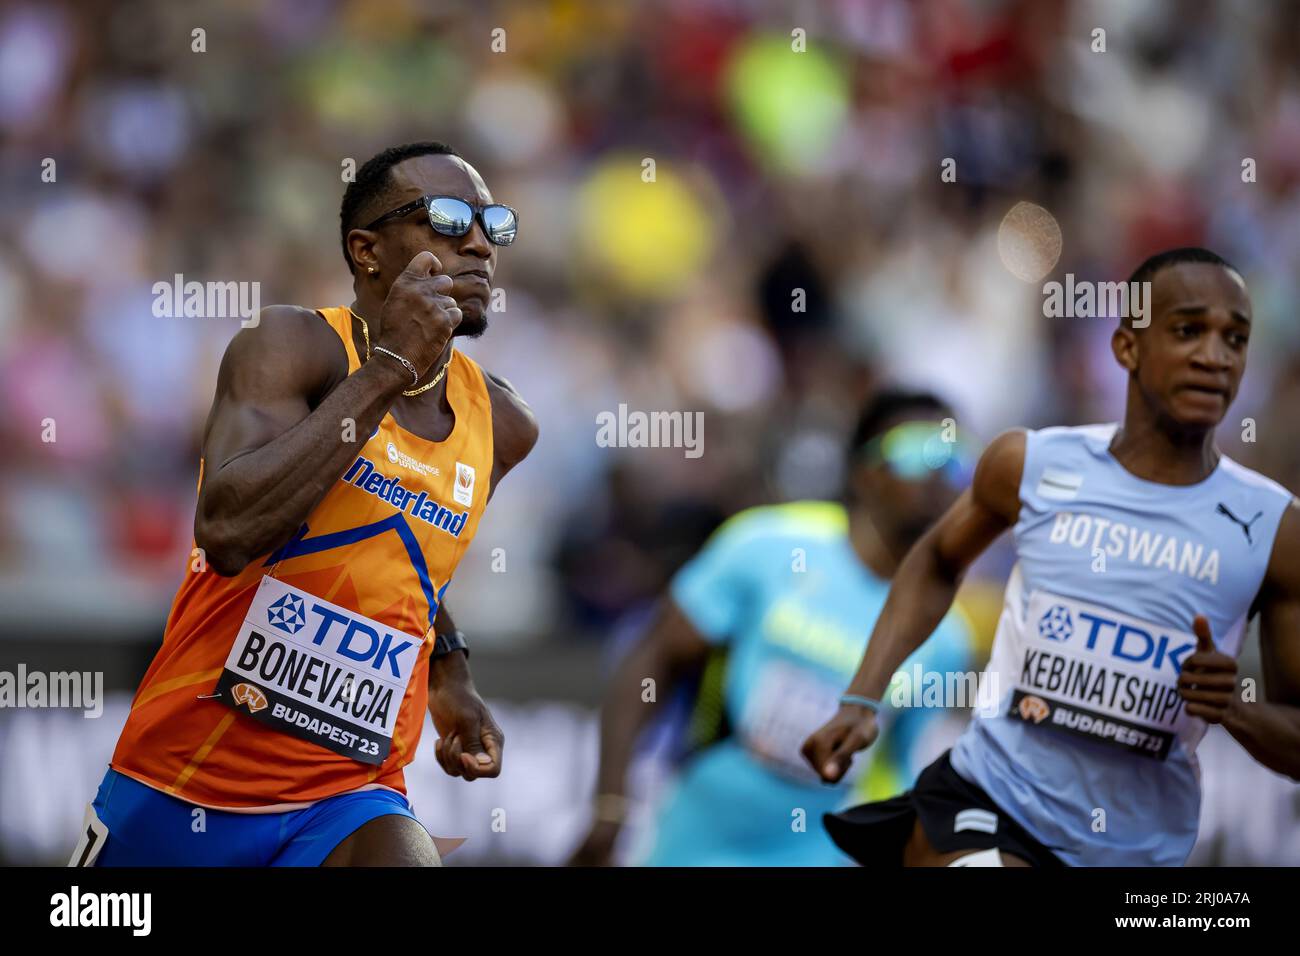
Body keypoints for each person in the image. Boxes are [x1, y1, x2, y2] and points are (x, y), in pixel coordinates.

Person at [70, 141, 538, 867]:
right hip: (181, 781)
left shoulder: (503, 425)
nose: (478, 242)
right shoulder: (290, 346)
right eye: (447, 219)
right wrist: (390, 368)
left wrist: (453, 673)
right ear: (368, 250)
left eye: (492, 224)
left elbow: (409, 562)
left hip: (349, 794)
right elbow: (228, 530)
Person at [803, 247, 1300, 867]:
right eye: (1187, 331)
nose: (1214, 356)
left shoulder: (1273, 527)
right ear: (1127, 348)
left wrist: (1236, 711)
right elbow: (936, 560)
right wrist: (862, 698)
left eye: (1236, 339)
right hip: (991, 798)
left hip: (1135, 853)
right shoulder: (1031, 465)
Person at [569, 390, 976, 866]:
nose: (936, 478)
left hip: (825, 854)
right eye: (915, 452)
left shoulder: (949, 636)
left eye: (953, 459)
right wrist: (611, 805)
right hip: (700, 842)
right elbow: (652, 658)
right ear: (862, 473)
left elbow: (900, 770)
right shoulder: (767, 547)